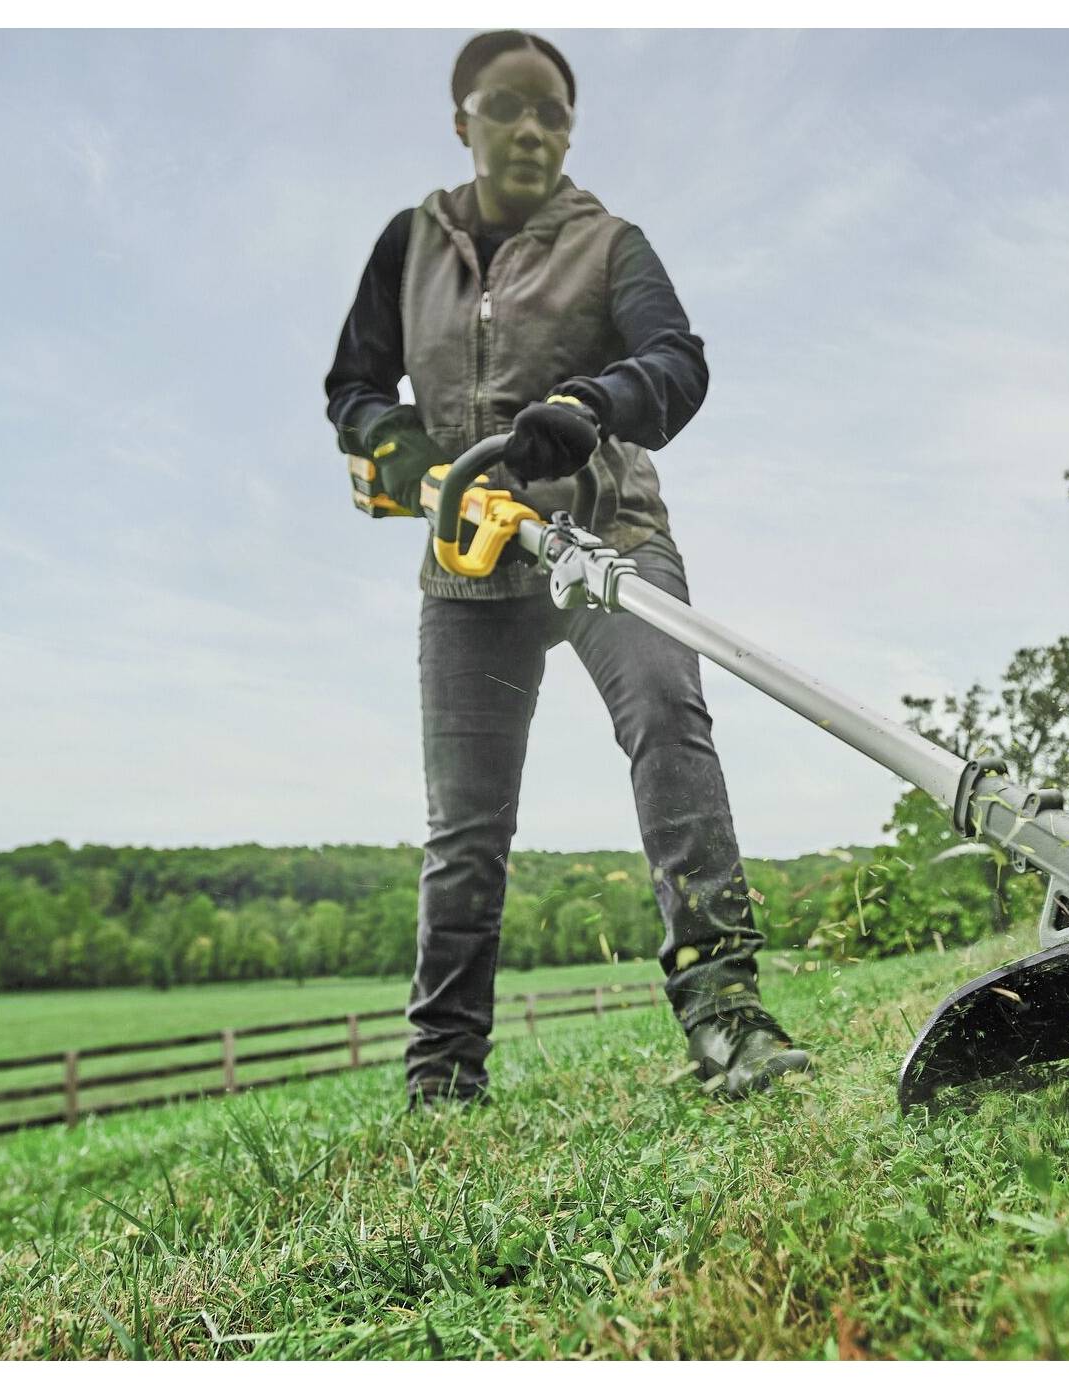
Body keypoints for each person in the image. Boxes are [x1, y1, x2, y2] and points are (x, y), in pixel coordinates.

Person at [323, 30, 811, 1108]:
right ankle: (443, 1069)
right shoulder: (408, 245)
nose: (534, 128)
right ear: (465, 121)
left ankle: (725, 1009)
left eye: (554, 113)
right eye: (510, 107)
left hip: (607, 535)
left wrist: (592, 406)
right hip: (469, 562)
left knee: (667, 723)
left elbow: (676, 363)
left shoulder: (610, 243)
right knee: (466, 823)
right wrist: (405, 453)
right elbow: (353, 387)